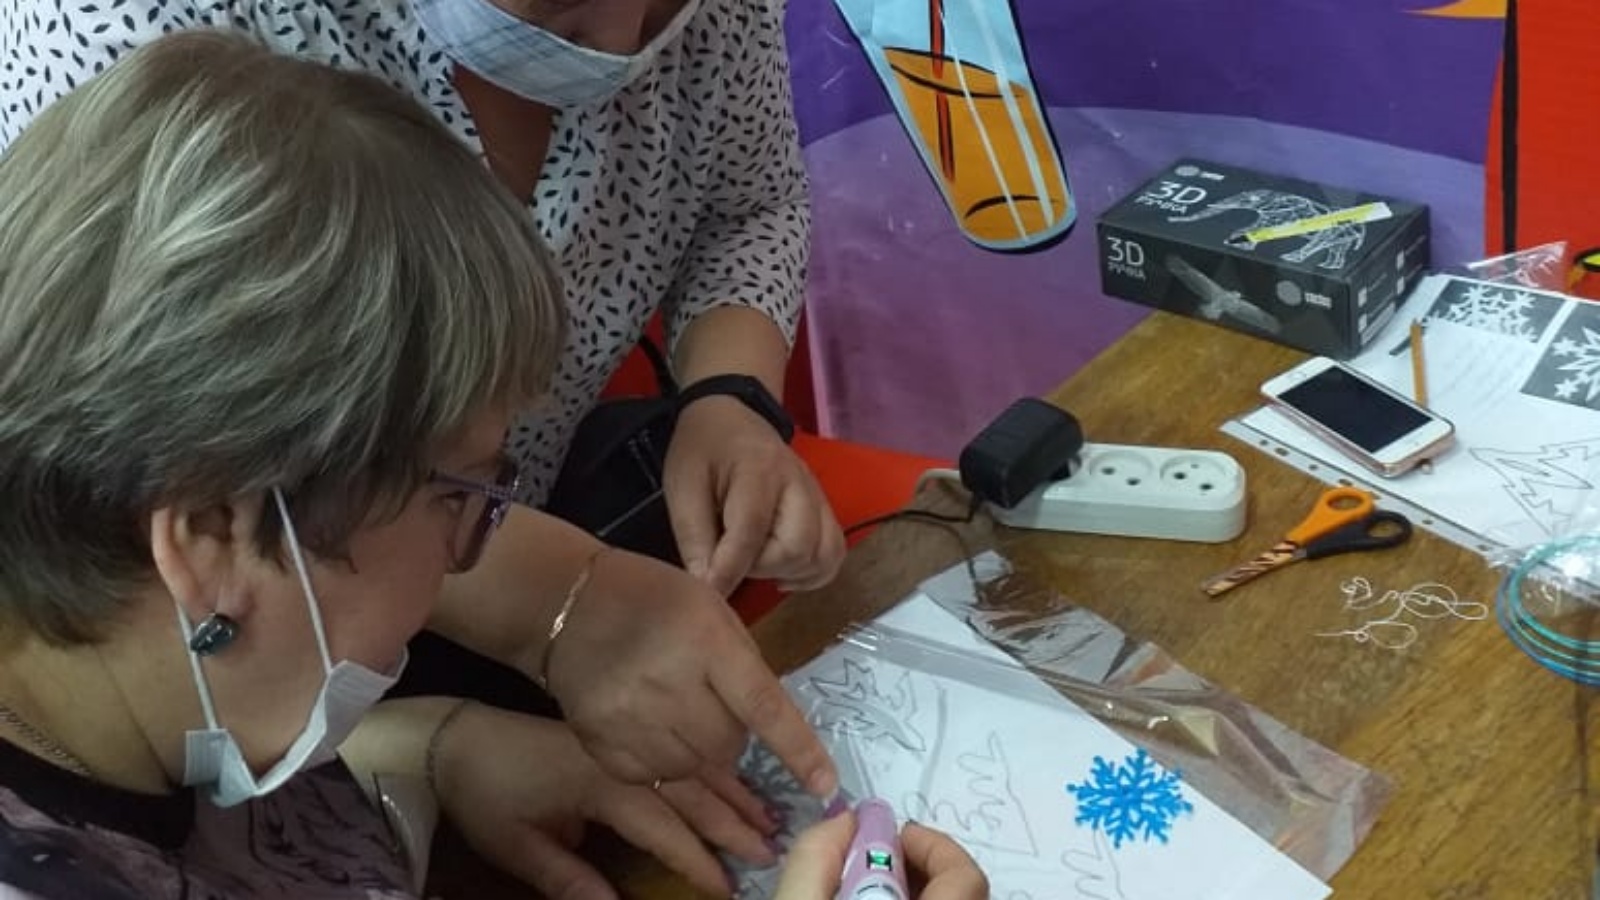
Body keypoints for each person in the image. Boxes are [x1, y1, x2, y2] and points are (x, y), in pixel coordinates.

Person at [0, 30, 989, 900]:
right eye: (460, 498)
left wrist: (432, 749)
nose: (479, 546)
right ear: (212, 535)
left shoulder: (164, 699)